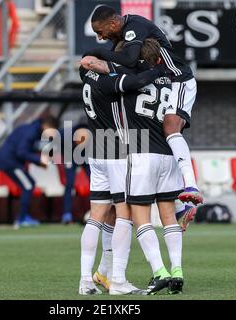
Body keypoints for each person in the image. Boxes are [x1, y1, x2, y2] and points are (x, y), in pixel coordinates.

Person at [88, 5, 203, 206]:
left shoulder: (135, 25)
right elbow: (125, 63)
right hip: (159, 83)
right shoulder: (121, 35)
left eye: (100, 32)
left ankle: (192, 186)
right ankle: (181, 206)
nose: (100, 37)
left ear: (113, 23)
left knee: (170, 127)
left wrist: (96, 53)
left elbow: (130, 59)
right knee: (164, 139)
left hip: (177, 80)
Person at [78, 52, 169, 295]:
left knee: (96, 217)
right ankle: (118, 280)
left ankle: (86, 280)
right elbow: (135, 82)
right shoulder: (108, 82)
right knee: (125, 215)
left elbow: (90, 64)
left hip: (95, 148)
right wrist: (159, 70)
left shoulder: (85, 76)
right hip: (116, 148)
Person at [0, 115, 58, 228]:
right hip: (10, 162)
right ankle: (21, 219)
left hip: (12, 161)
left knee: (29, 184)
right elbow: (21, 152)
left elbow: (26, 149)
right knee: (28, 186)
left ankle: (24, 216)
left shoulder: (33, 130)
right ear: (46, 126)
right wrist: (39, 160)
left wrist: (39, 162)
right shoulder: (31, 132)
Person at [59, 124, 91, 224]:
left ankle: (96, 212)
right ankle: (67, 214)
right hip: (70, 154)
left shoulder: (93, 133)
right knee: (69, 183)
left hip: (86, 155)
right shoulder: (64, 135)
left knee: (95, 182)